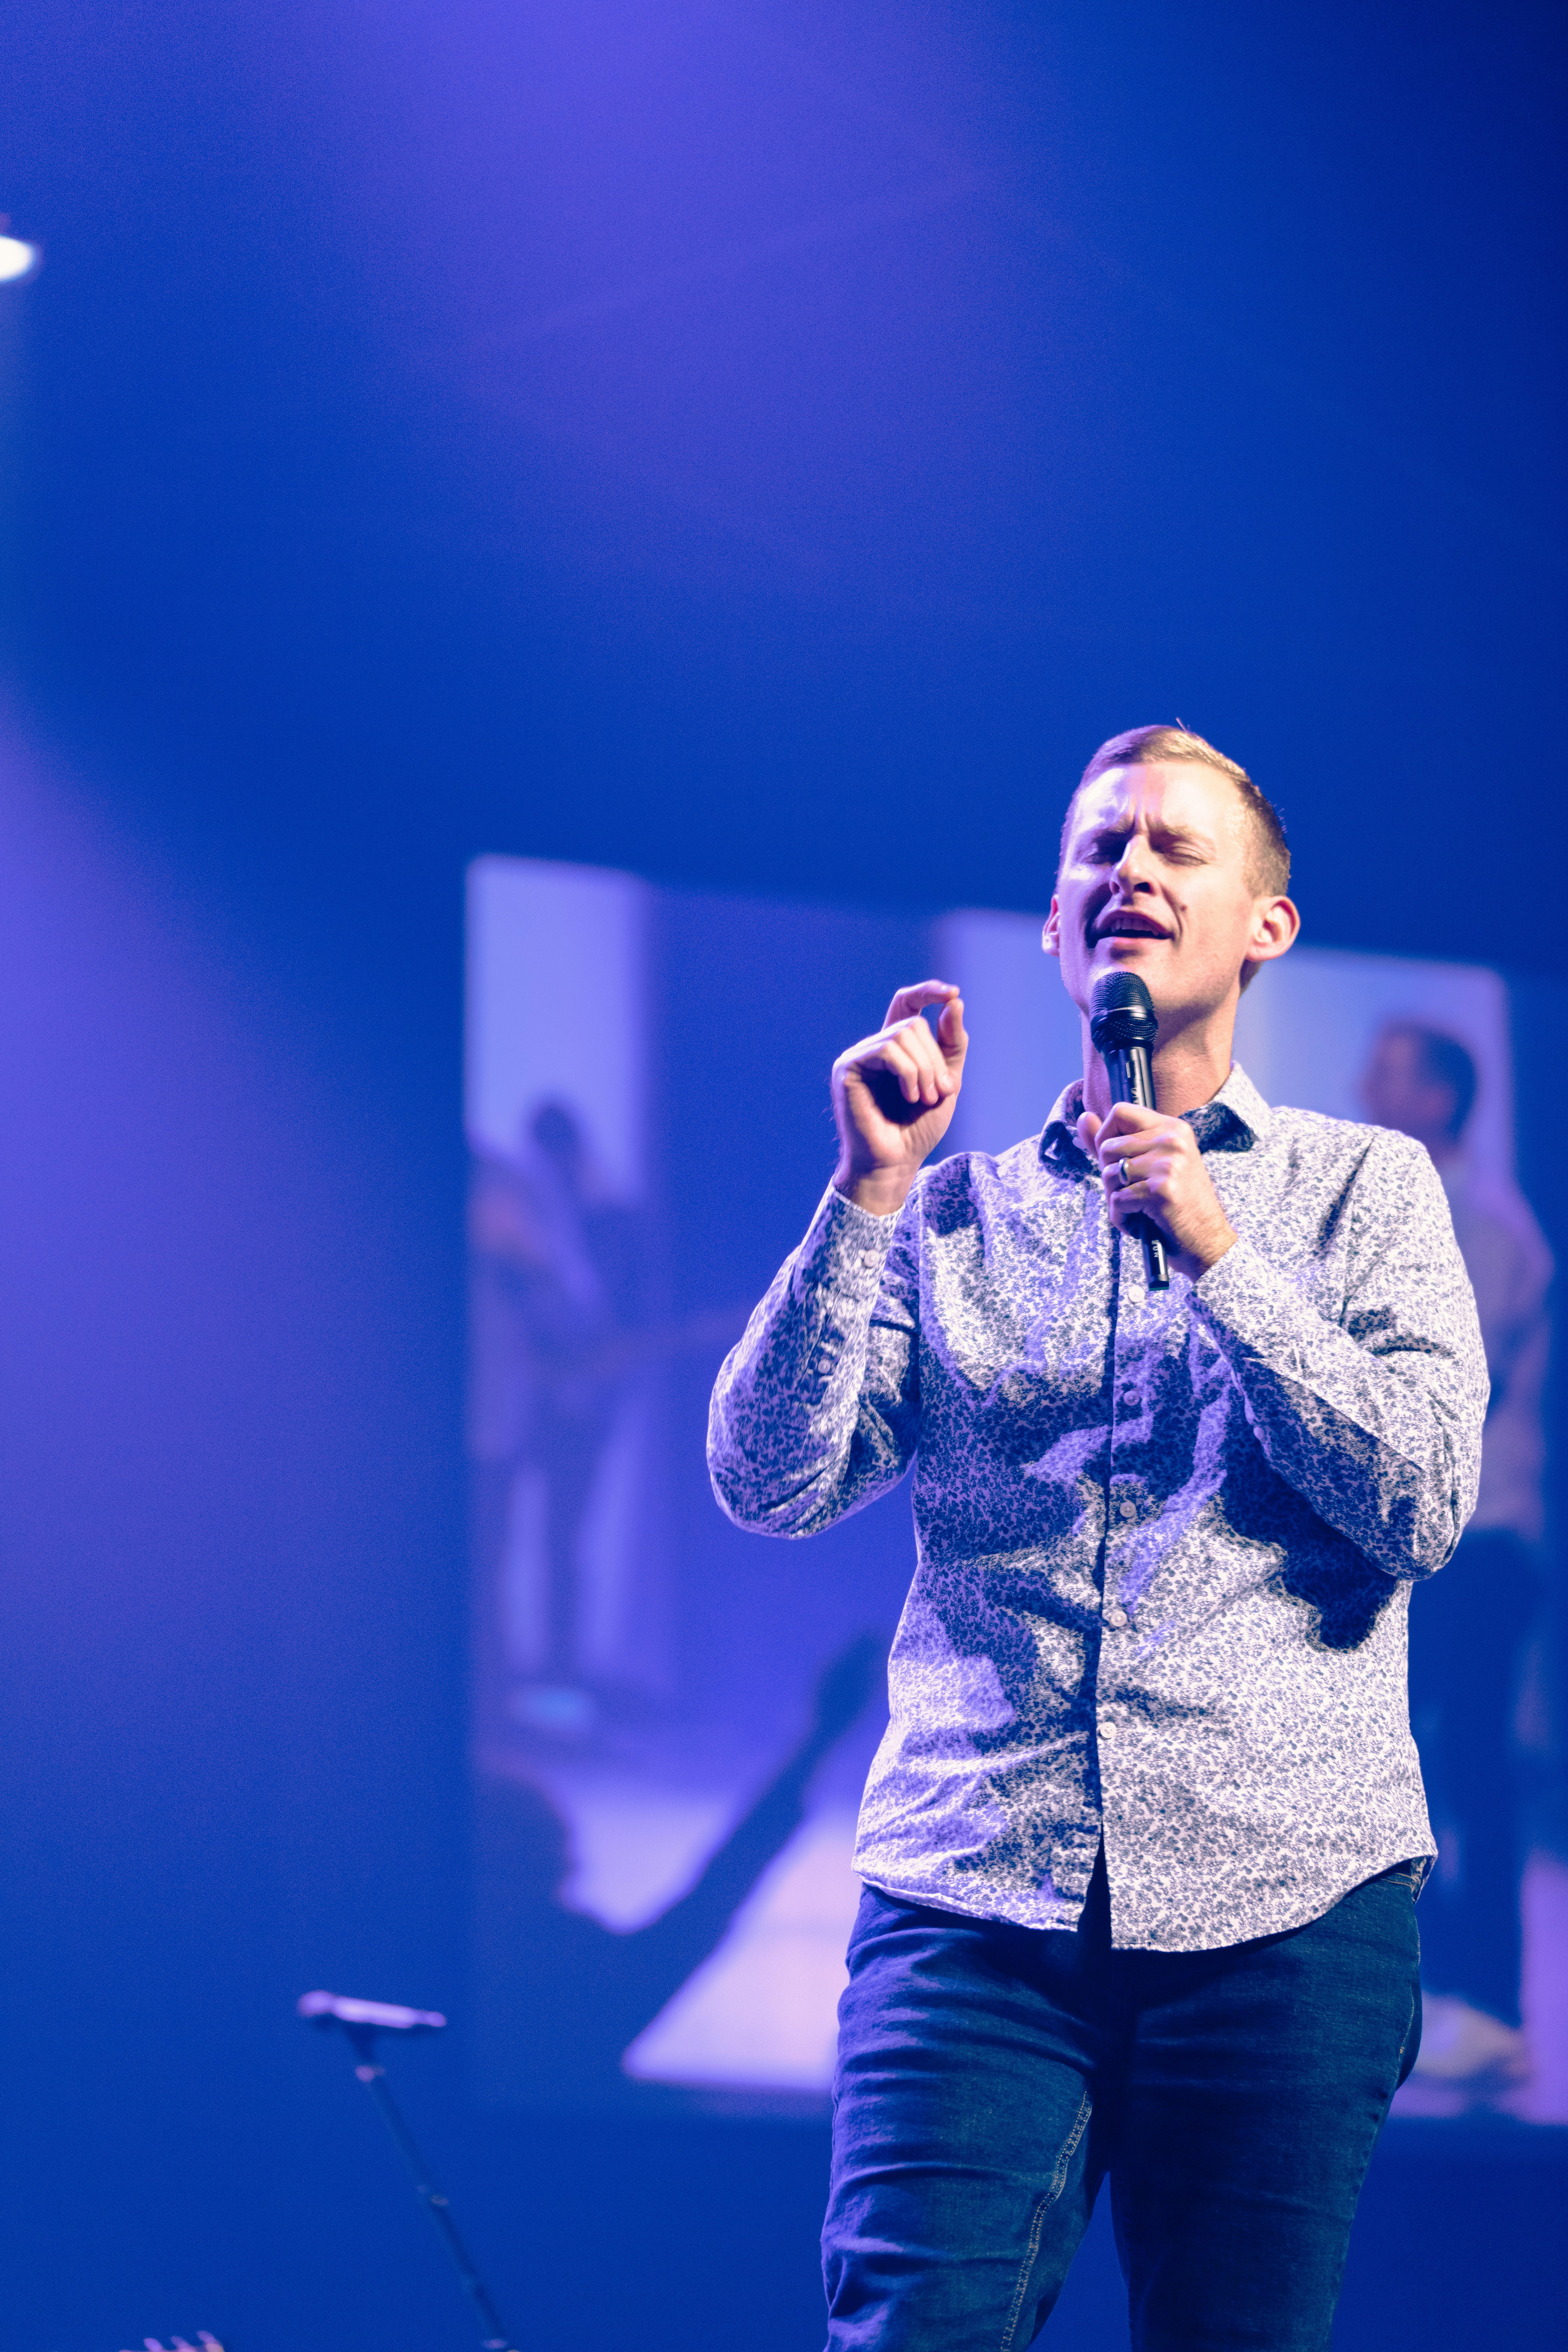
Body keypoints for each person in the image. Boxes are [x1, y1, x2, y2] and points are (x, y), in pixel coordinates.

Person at [708, 725, 1488, 2350]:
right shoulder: (955, 1211)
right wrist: (864, 1192)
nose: (1128, 868)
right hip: (976, 1901)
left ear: (1266, 925)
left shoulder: (1369, 1191)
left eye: (1175, 847)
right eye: (1098, 849)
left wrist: (1221, 1254)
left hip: (1286, 1909)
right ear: (1058, 927)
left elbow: (1421, 1499)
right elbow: (767, 1479)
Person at [1360, 1021, 1552, 2092]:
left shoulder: (1482, 1222)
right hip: (1436, 1542)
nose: (1365, 1087)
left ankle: (1492, 2008)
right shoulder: (1425, 1207)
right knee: (1418, 1771)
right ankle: (1439, 2003)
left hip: (1477, 1541)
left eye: (1389, 1073)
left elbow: (1444, 1385)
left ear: (1439, 1099)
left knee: (1468, 1773)